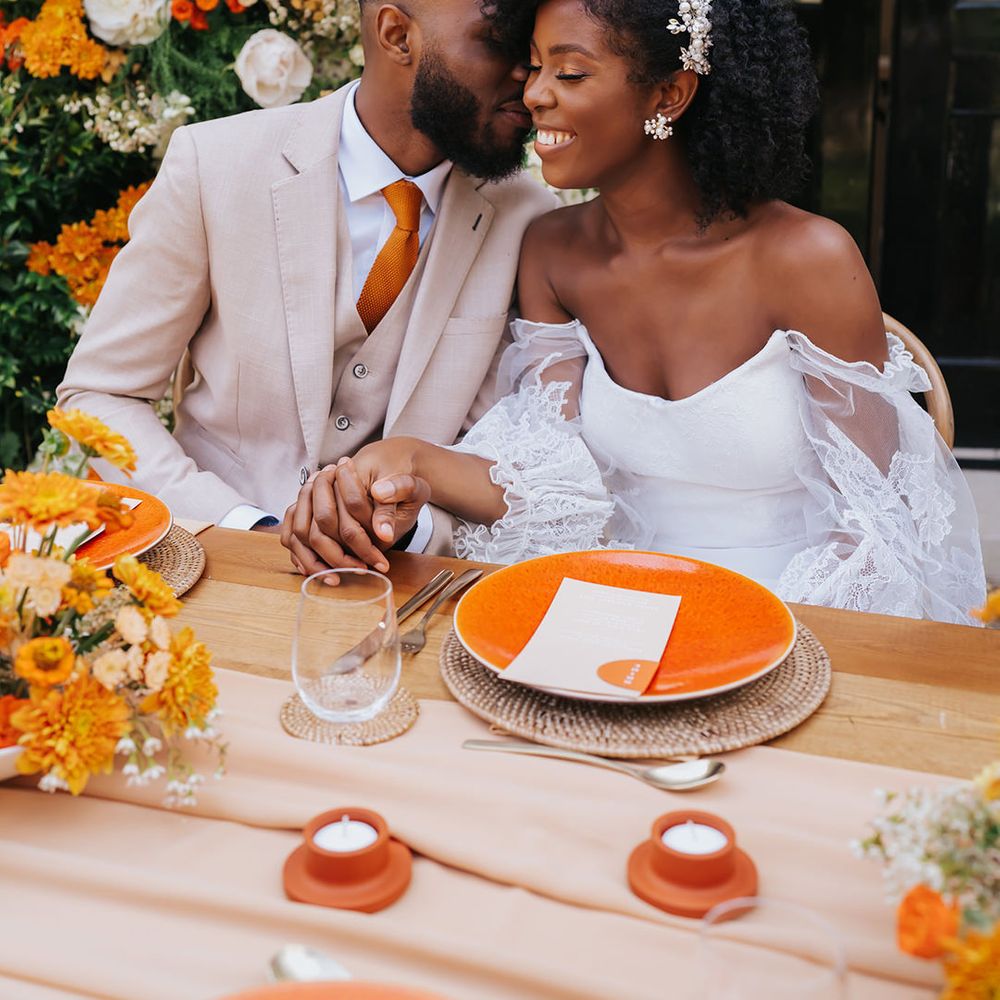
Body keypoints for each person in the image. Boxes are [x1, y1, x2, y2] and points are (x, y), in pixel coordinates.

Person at [283, 0, 986, 623]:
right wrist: (406, 458)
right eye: (532, 69)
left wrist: (744, 641)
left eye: (571, 73)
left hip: (793, 624)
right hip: (612, 617)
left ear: (671, 93)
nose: (534, 97)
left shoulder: (807, 260)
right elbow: (554, 484)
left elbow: (874, 532)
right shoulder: (553, 252)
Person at [57, 0, 556, 564]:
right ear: (397, 35)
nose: (531, 77)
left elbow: (498, 457)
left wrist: (406, 526)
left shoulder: (530, 219)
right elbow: (100, 396)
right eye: (500, 42)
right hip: (210, 564)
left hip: (406, 587)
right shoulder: (215, 164)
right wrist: (243, 526)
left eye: (533, 51)